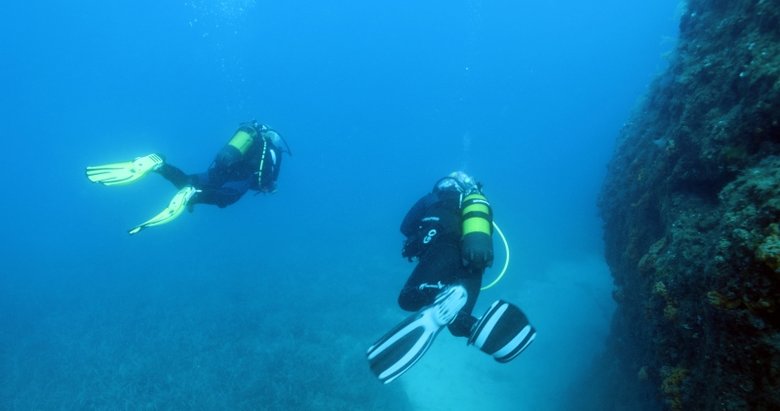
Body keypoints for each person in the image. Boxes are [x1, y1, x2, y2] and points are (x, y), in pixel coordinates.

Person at [367, 171, 536, 384]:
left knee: (408, 299)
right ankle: (465, 320)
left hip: (443, 249)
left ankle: (437, 292)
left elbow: (405, 226)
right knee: (457, 326)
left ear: (443, 185)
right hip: (474, 261)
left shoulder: (433, 197)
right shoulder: (475, 207)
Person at [85, 121, 290, 235]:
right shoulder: (271, 150)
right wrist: (267, 187)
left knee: (187, 181)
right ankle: (193, 195)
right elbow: (264, 178)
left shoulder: (248, 140)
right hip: (240, 175)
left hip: (220, 169)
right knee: (226, 198)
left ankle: (158, 165)